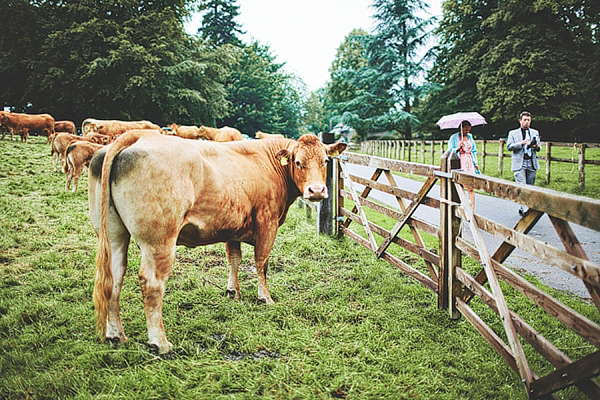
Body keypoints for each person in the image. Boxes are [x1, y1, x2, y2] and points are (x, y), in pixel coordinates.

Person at [507, 111, 541, 215]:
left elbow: (539, 148)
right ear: (520, 121)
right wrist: (521, 143)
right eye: (525, 120)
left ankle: (524, 207)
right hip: (519, 163)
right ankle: (525, 209)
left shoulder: (535, 132)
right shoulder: (513, 133)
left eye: (528, 120)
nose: (526, 122)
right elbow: (509, 146)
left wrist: (535, 146)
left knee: (530, 187)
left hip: (531, 161)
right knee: (522, 186)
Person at [448, 120, 480, 213]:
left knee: (471, 186)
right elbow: (449, 151)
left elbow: (473, 150)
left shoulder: (470, 137)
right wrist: (458, 148)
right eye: (466, 130)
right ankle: (463, 207)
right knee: (460, 186)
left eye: (469, 130)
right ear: (461, 128)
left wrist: (475, 163)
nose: (467, 132)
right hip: (459, 162)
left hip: (469, 161)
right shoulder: (454, 137)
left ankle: (472, 211)